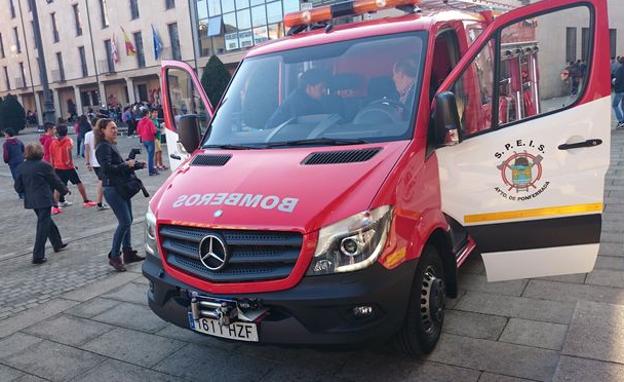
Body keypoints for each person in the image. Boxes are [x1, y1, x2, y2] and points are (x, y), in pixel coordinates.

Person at [94, 118, 145, 271]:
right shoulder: (103, 147)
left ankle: (128, 252)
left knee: (128, 220)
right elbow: (107, 169)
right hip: (113, 189)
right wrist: (126, 164)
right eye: (112, 128)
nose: (115, 131)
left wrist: (134, 165)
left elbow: (118, 167)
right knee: (125, 222)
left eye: (116, 128)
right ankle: (115, 255)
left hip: (120, 187)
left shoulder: (110, 145)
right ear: (102, 130)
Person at [14, 143, 68, 264]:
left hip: (31, 199)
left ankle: (57, 243)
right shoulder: (44, 165)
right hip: (43, 198)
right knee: (42, 226)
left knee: (46, 221)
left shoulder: (21, 167)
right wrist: (64, 190)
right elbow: (54, 180)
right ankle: (38, 255)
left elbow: (18, 187)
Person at [49, 124, 98, 208]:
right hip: (68, 167)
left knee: (58, 186)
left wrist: (52, 166)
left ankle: (55, 206)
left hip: (58, 167)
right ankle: (86, 201)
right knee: (78, 183)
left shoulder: (53, 143)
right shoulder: (68, 140)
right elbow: (68, 150)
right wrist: (69, 161)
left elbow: (51, 156)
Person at [84, 117, 109, 211]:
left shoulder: (87, 135)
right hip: (101, 160)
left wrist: (87, 162)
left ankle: (101, 201)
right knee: (102, 181)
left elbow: (86, 150)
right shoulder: (100, 134)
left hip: (94, 162)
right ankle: (99, 202)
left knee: (102, 180)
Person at [3, 128, 25, 199]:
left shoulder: (6, 144)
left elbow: (6, 155)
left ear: (8, 134)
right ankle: (25, 192)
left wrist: (6, 160)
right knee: (22, 177)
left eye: (5, 134)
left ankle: (21, 193)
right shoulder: (18, 141)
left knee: (16, 178)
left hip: (13, 163)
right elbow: (23, 149)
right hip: (21, 161)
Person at [136, 108, 158, 176]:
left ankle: (152, 169)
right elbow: (154, 131)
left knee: (149, 155)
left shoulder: (140, 122)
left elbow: (138, 131)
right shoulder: (149, 121)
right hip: (150, 139)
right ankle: (151, 170)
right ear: (147, 114)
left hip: (144, 139)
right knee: (150, 156)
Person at [613, 57, 624, 129]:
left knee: (615, 105)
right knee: (623, 106)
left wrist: (613, 82)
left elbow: (617, 80)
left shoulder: (620, 69)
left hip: (620, 90)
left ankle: (621, 121)